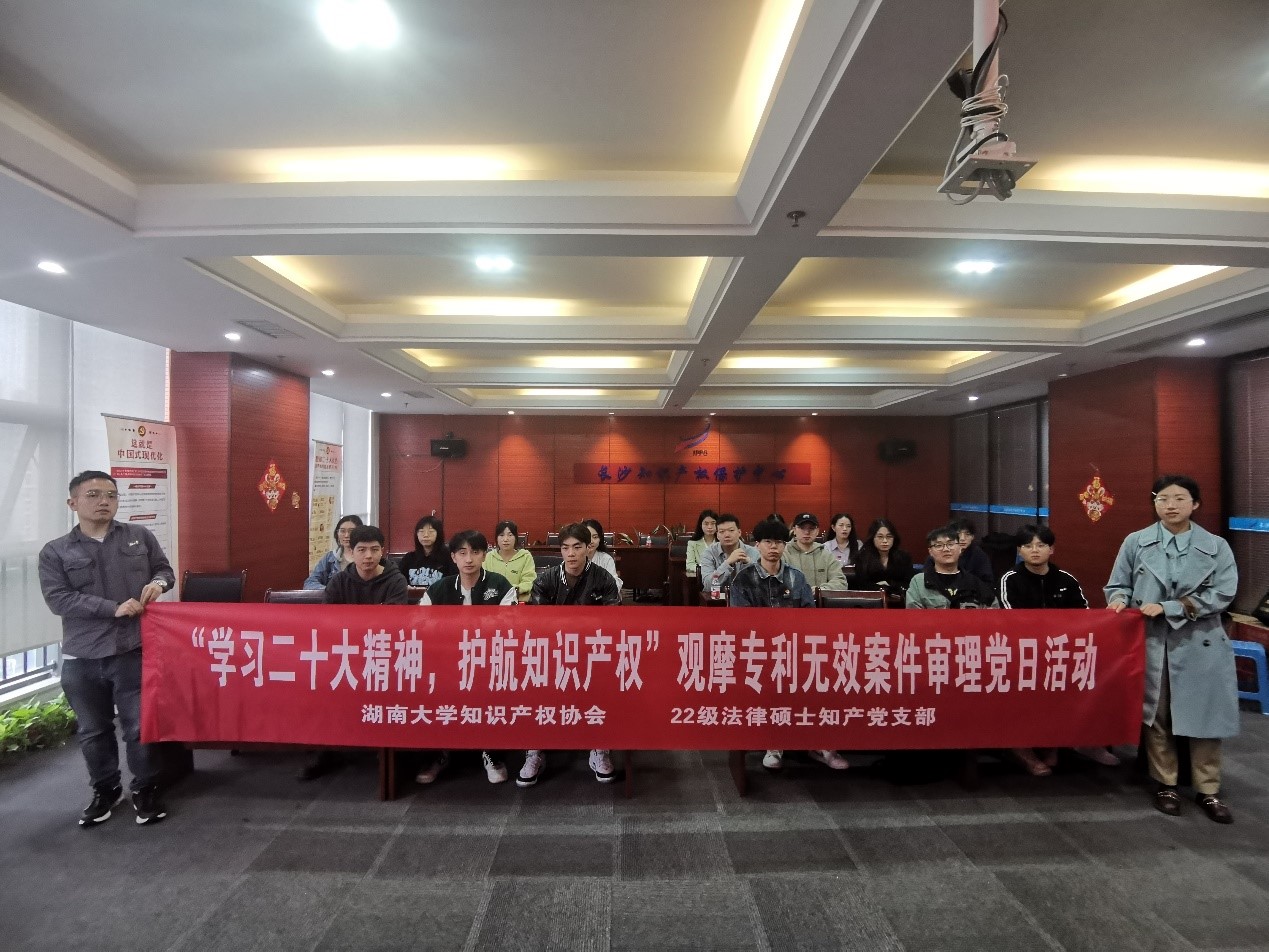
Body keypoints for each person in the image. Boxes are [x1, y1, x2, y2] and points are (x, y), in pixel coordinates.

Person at [38, 470, 175, 827]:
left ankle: (145, 787)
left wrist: (159, 583)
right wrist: (110, 608)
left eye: (111, 495)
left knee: (139, 727)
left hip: (133, 648)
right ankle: (105, 789)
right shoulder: (56, 551)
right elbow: (58, 598)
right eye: (94, 495)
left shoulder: (138, 536)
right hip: (82, 656)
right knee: (93, 731)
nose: (104, 501)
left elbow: (164, 570)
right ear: (73, 503)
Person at [1105, 475, 1239, 823]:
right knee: (1157, 715)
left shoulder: (1216, 546)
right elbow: (1118, 583)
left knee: (1205, 718)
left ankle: (1208, 790)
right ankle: (1165, 784)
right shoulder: (1136, 542)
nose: (1171, 505)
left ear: (1195, 504)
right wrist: (1118, 600)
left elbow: (1224, 593)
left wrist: (1172, 607)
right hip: (1152, 641)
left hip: (1200, 640)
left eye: (1180, 498)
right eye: (1162, 499)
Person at [998, 524, 1117, 776]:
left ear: (1051, 549)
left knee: (1091, 685)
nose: (1035, 550)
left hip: (1062, 652)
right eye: (1028, 545)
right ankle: (1024, 751)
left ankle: (1074, 743)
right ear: (1019, 550)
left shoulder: (1066, 579)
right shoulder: (1010, 579)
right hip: (1024, 655)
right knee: (1022, 704)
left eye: (1041, 545)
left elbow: (1083, 616)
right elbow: (1012, 617)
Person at [730, 518, 847, 773]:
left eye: (779, 542)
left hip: (794, 649)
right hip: (758, 653)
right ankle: (775, 745)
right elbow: (741, 626)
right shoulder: (743, 580)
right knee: (774, 679)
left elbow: (809, 619)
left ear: (785, 545)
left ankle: (821, 744)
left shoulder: (796, 577)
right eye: (768, 542)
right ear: (757, 545)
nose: (773, 547)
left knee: (826, 678)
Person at [300, 524, 409, 780]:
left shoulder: (396, 581)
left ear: (383, 551)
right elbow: (328, 622)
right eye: (362, 550)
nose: (368, 556)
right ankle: (328, 750)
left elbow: (394, 624)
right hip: (345, 654)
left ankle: (391, 751)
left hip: (384, 656)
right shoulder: (339, 581)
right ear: (352, 551)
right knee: (320, 685)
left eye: (374, 549)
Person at [523, 522, 622, 787]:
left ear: (588, 548)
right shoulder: (546, 580)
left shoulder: (604, 578)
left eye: (577, 547)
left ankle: (600, 748)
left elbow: (613, 623)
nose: (571, 554)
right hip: (554, 651)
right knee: (534, 683)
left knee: (605, 683)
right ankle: (534, 750)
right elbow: (538, 625)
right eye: (565, 548)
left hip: (593, 652)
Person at [416, 529, 517, 786]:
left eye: (475, 552)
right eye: (462, 553)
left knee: (495, 688)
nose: (469, 559)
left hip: (489, 660)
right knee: (427, 688)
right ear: (453, 557)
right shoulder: (439, 588)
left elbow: (508, 626)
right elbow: (420, 625)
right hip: (446, 662)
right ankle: (439, 753)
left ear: (485, 555)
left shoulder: (500, 585)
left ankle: (491, 753)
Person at [906, 524, 997, 609]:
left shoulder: (974, 582)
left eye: (950, 544)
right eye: (939, 545)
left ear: (960, 548)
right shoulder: (919, 582)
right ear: (930, 551)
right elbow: (914, 615)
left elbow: (993, 612)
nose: (946, 549)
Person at [782, 512, 848, 595]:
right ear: (794, 530)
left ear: (817, 531)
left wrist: (820, 590)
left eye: (811, 528)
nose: (807, 532)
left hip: (820, 601)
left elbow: (841, 582)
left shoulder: (825, 554)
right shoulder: (784, 553)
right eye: (802, 528)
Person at [851, 518, 915, 603]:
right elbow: (861, 585)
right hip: (870, 602)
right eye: (880, 537)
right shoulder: (861, 558)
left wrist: (888, 585)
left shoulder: (904, 557)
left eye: (889, 537)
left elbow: (909, 584)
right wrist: (882, 588)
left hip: (899, 602)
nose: (885, 541)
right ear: (872, 538)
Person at [698, 512, 758, 598]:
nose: (727, 535)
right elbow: (708, 586)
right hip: (718, 599)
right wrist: (728, 563)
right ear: (717, 535)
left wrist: (749, 564)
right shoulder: (709, 553)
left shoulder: (753, 552)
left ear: (739, 532)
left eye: (731, 530)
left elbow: (762, 585)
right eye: (722, 532)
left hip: (746, 600)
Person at [922, 517, 994, 587]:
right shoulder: (938, 554)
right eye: (958, 534)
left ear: (973, 537)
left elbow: (987, 584)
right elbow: (925, 581)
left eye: (967, 534)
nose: (962, 538)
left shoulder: (979, 555)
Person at [303, 514, 364, 589]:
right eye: (342, 531)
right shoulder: (330, 558)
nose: (346, 535)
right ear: (337, 533)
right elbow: (310, 582)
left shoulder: (366, 557)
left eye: (351, 531)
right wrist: (330, 590)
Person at [484, 519, 536, 603]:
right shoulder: (488, 557)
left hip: (518, 600)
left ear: (516, 538)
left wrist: (511, 591)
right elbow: (483, 581)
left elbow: (529, 581)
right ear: (496, 538)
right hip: (493, 602)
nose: (505, 539)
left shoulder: (525, 556)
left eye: (510, 535)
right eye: (501, 535)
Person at [397, 515, 456, 588]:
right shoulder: (409, 558)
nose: (425, 535)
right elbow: (398, 582)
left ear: (438, 534)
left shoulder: (449, 558)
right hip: (414, 595)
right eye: (421, 531)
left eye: (430, 531)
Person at [581, 517, 623, 592]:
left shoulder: (606, 559)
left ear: (600, 539)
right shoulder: (574, 557)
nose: (591, 541)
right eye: (587, 537)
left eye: (595, 537)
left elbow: (615, 584)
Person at [684, 509, 719, 577]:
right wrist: (707, 570)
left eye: (713, 523)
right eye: (706, 524)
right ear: (701, 525)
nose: (709, 527)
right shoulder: (692, 543)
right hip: (700, 578)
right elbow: (690, 565)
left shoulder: (722, 542)